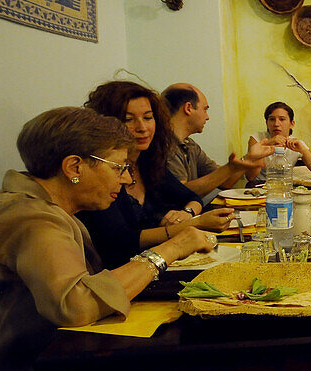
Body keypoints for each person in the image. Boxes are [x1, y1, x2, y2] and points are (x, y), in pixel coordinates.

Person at [0, 107, 214, 371]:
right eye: (118, 167)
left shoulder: (41, 207)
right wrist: (169, 249)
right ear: (74, 166)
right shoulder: (31, 218)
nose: (127, 178)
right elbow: (76, 305)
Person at [78, 81, 234, 268]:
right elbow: (121, 239)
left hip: (162, 265)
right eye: (128, 120)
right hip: (124, 274)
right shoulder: (100, 171)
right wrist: (190, 226)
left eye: (148, 117)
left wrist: (187, 213)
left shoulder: (148, 162)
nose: (142, 127)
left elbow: (191, 197)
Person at [162, 83, 272, 196]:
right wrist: (231, 167)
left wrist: (249, 159)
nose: (207, 117)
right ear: (188, 108)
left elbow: (224, 181)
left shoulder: (190, 145)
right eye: (205, 110)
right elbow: (180, 194)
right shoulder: (164, 144)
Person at [248, 101, 311, 183]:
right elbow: (250, 177)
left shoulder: (296, 144)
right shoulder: (257, 139)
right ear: (267, 123)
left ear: (292, 124)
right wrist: (267, 144)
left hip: (285, 187)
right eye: (272, 119)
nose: (276, 124)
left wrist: (304, 151)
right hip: (259, 186)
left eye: (282, 119)